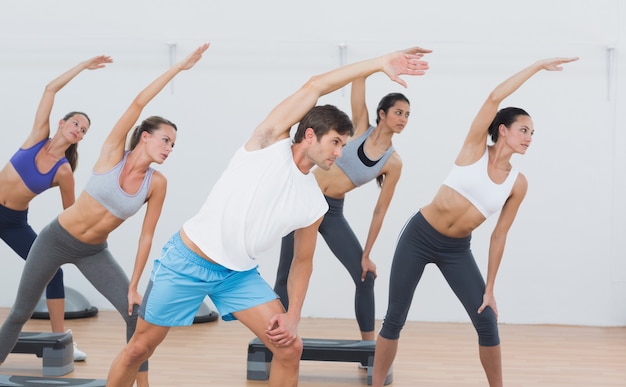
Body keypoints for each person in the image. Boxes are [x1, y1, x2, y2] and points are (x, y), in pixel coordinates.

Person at [106, 46, 431, 387]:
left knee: (290, 347)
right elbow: (315, 85)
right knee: (138, 349)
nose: (340, 152)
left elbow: (302, 263)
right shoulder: (266, 144)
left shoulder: (314, 204)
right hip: (188, 259)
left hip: (237, 276)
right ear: (310, 135)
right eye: (335, 142)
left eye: (343, 144)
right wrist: (380, 64)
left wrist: (293, 316)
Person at [0, 43, 209, 386]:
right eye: (166, 140)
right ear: (145, 137)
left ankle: (140, 384)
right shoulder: (114, 152)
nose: (169, 149)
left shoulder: (157, 184)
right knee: (20, 313)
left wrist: (135, 285)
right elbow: (138, 103)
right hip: (56, 239)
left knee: (134, 314)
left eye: (173, 145)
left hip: (94, 251)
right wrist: (178, 69)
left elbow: (146, 235)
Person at [371, 56, 579, 387]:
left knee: (487, 322)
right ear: (503, 130)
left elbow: (499, 236)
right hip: (420, 236)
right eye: (523, 130)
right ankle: (376, 382)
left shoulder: (518, 183)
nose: (528, 137)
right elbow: (494, 98)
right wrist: (536, 66)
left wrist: (491, 287)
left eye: (532, 133)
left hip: (456, 249)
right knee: (394, 318)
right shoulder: (474, 149)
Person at [274, 74, 417, 341]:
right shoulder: (360, 127)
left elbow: (380, 211)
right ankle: (275, 342)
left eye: (407, 115)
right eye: (398, 112)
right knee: (286, 274)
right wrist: (376, 65)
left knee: (365, 277)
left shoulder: (392, 163)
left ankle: (369, 349)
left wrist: (367, 254)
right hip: (304, 199)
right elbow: (358, 81)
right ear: (382, 114)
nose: (403, 119)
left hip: (332, 211)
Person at [0, 55, 112, 361]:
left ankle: (62, 341)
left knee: (54, 275)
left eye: (84, 129)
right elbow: (50, 89)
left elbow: (70, 215)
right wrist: (83, 66)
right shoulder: (38, 136)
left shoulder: (63, 171)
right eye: (76, 122)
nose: (79, 129)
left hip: (12, 223)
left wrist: (77, 243)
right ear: (62, 123)